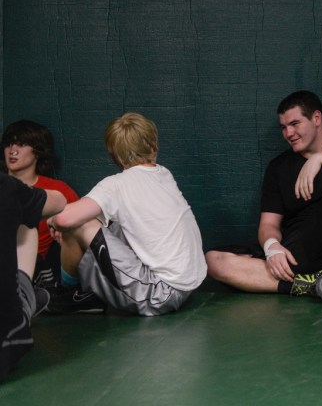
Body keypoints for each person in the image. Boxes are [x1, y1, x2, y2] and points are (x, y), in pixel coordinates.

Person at [205, 90, 322, 309]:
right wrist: (272, 246)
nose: (289, 133)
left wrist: (318, 159)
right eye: (283, 127)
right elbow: (269, 224)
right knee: (213, 261)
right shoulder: (278, 167)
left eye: (295, 124)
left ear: (316, 118)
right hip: (302, 258)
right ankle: (313, 285)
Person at [45, 113, 206, 316]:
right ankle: (84, 293)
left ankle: (69, 293)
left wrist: (54, 221)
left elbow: (63, 219)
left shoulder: (117, 185)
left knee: (79, 224)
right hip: (188, 286)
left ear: (113, 155)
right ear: (152, 147)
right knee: (106, 222)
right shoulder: (163, 174)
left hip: (159, 294)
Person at [1, 173, 67, 382]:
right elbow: (59, 202)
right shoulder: (8, 187)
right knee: (28, 218)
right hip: (8, 338)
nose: (13, 155)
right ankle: (26, 295)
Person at [2, 120, 80, 287]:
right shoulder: (3, 187)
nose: (12, 150)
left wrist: (67, 234)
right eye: (9, 144)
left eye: (21, 144)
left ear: (37, 152)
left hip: (39, 267)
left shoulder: (58, 190)